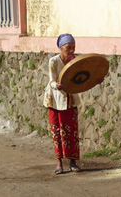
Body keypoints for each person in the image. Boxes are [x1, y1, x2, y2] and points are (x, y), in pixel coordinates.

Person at [43, 33, 81, 174]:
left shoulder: (75, 62)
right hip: (54, 100)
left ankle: (73, 161)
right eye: (68, 47)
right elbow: (52, 80)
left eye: (73, 47)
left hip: (70, 99)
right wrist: (56, 85)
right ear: (60, 47)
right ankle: (59, 162)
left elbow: (82, 78)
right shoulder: (54, 61)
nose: (71, 51)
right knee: (57, 131)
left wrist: (95, 78)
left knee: (72, 131)